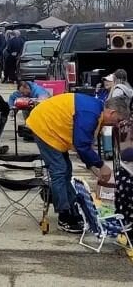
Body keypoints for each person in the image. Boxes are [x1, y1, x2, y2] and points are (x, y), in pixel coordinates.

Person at [26, 93, 130, 233]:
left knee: (66, 170)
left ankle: (72, 206)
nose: (116, 125)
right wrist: (101, 165)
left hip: (52, 128)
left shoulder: (96, 110)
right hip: (45, 128)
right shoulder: (90, 113)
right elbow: (81, 144)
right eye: (118, 120)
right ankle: (64, 216)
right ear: (112, 112)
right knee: (59, 171)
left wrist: (93, 168)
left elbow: (84, 146)